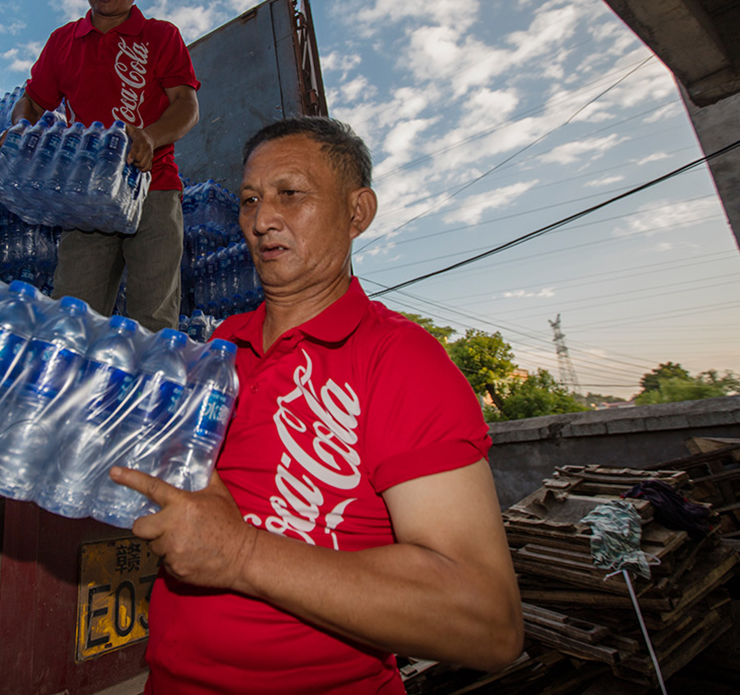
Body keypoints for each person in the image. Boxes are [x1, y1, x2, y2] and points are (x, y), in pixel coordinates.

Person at [111, 116, 523, 693]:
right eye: (250, 199)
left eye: (290, 194)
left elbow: (487, 621)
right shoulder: (219, 348)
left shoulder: (401, 360)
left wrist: (240, 552)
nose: (261, 220)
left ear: (358, 213)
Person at [11, 0, 200, 331]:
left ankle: (147, 395)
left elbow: (186, 105)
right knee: (71, 317)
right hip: (86, 197)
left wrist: (150, 136)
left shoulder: (161, 36)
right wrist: (23, 134)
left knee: (153, 322)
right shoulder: (63, 42)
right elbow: (32, 101)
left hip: (154, 187)